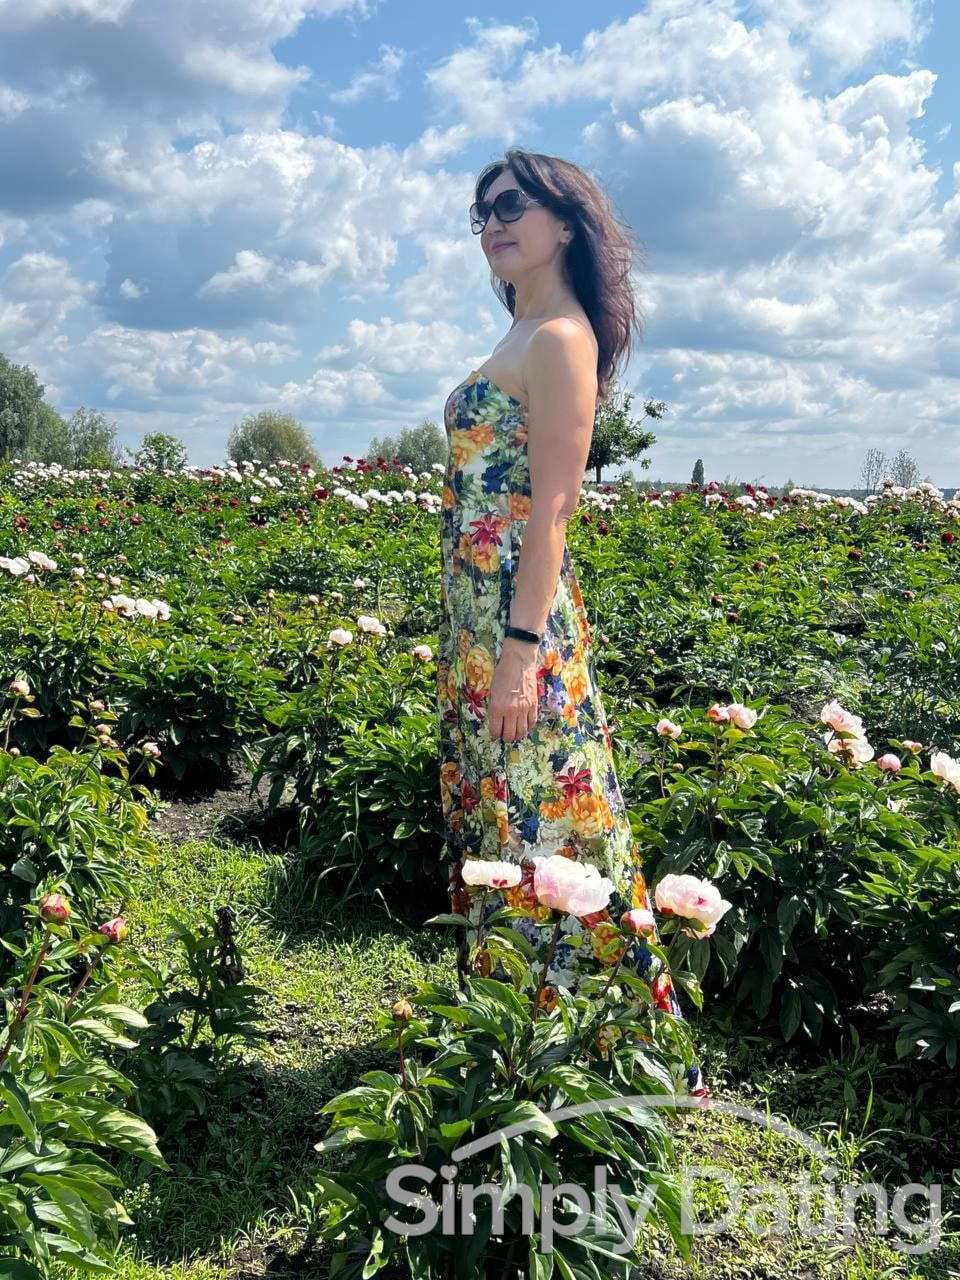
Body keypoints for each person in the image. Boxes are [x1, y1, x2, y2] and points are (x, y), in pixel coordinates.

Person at [436, 147, 706, 1099]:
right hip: (480, 629)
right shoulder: (523, 330)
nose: (493, 223)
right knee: (502, 816)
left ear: (564, 221)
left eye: (511, 204)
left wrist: (517, 657)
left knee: (551, 822)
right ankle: (510, 1030)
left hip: (523, 634)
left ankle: (601, 1050)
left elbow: (552, 512)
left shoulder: (560, 338)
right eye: (481, 212)